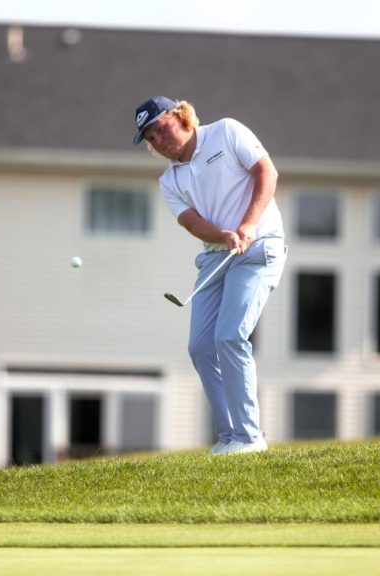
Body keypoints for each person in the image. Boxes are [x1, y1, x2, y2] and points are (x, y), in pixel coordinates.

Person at [132, 96, 287, 455]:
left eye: (160, 128)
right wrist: (222, 235)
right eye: (150, 138)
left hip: (258, 248)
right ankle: (230, 437)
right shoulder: (170, 180)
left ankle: (250, 437)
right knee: (201, 346)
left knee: (230, 336)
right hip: (216, 257)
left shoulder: (226, 132)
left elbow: (267, 173)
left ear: (180, 115)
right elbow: (191, 223)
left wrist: (246, 225)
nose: (158, 139)